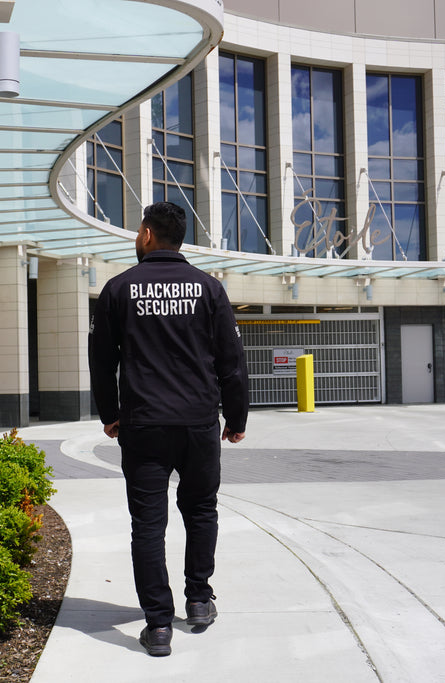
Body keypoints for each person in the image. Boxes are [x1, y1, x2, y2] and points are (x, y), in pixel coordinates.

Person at [88, 201, 249, 657]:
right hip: (199, 423)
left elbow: (102, 361)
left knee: (148, 525)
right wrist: (236, 418)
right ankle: (198, 599)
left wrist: (109, 413)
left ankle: (158, 626)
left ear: (146, 234)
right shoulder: (210, 289)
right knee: (200, 511)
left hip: (144, 425)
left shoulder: (119, 289)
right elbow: (231, 363)